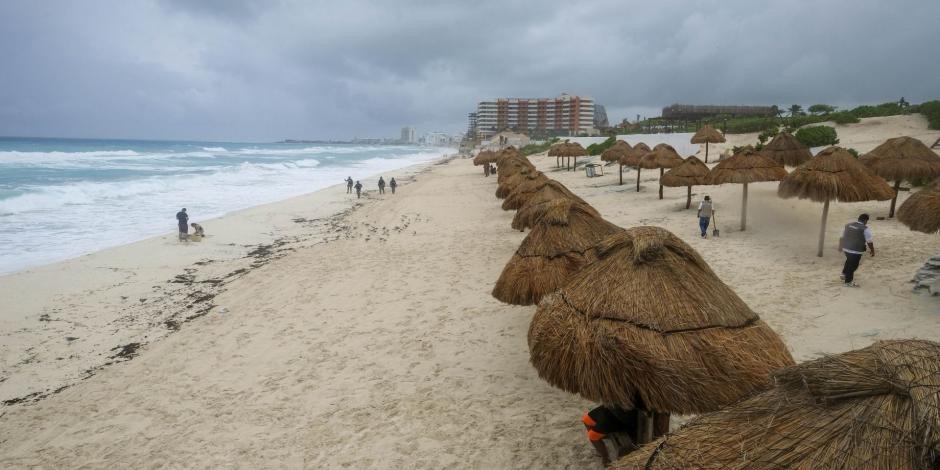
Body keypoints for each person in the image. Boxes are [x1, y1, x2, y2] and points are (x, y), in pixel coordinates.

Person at [839, 213, 874, 287]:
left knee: (849, 261)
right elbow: (869, 241)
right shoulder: (865, 228)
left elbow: (841, 237)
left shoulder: (848, 225)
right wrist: (872, 250)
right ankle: (848, 282)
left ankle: (844, 274)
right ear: (865, 220)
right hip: (855, 250)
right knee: (853, 265)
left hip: (846, 248)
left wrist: (840, 246)